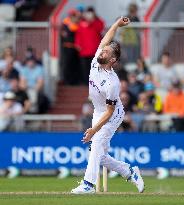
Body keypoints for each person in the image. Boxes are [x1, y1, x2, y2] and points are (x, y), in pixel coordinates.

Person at [71, 17, 144, 194]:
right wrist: (117, 24)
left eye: (105, 52)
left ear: (113, 60)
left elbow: (110, 112)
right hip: (99, 111)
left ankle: (88, 185)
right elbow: (105, 39)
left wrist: (93, 129)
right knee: (98, 154)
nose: (101, 52)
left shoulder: (112, 83)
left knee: (95, 145)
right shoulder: (96, 60)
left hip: (112, 115)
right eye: (102, 50)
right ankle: (129, 171)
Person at [75, 7, 104, 84]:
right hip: (84, 51)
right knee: (84, 68)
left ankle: (94, 82)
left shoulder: (97, 23)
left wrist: (94, 18)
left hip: (94, 51)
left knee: (95, 68)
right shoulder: (81, 23)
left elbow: (101, 27)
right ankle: (85, 82)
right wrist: (77, 44)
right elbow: (78, 35)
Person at [60, 9, 81, 85]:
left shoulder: (77, 24)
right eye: (72, 15)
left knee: (75, 65)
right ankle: (67, 81)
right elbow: (64, 36)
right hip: (67, 48)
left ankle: (74, 81)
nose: (73, 17)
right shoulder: (65, 24)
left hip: (76, 48)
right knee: (66, 65)